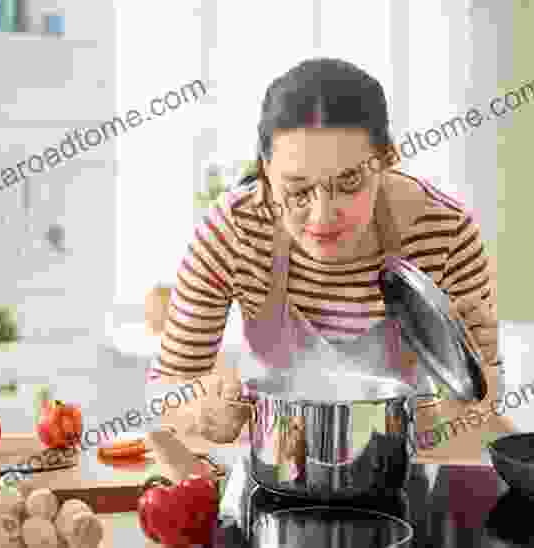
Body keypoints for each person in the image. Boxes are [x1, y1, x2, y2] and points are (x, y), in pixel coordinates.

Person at [146, 57, 515, 457]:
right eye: (297, 188)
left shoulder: (446, 231)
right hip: (280, 470)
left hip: (407, 469)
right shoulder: (232, 230)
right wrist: (197, 409)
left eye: (349, 182)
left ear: (388, 160)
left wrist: (473, 383)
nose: (322, 216)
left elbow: (481, 411)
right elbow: (164, 390)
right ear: (266, 170)